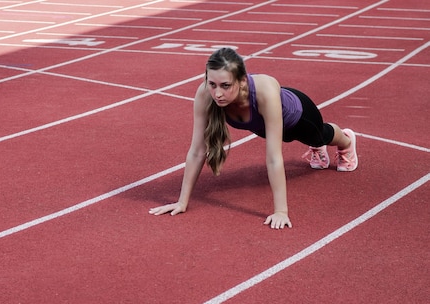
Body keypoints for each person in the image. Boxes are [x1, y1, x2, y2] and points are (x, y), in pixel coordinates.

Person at [149, 47, 358, 229]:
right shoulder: (205, 94)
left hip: (300, 117)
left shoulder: (264, 91)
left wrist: (281, 211)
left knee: (321, 136)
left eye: (225, 85)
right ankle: (317, 149)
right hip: (264, 126)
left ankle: (347, 140)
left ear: (241, 81)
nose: (217, 93)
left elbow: (274, 158)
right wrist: (182, 202)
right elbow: (197, 150)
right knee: (290, 139)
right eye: (212, 84)